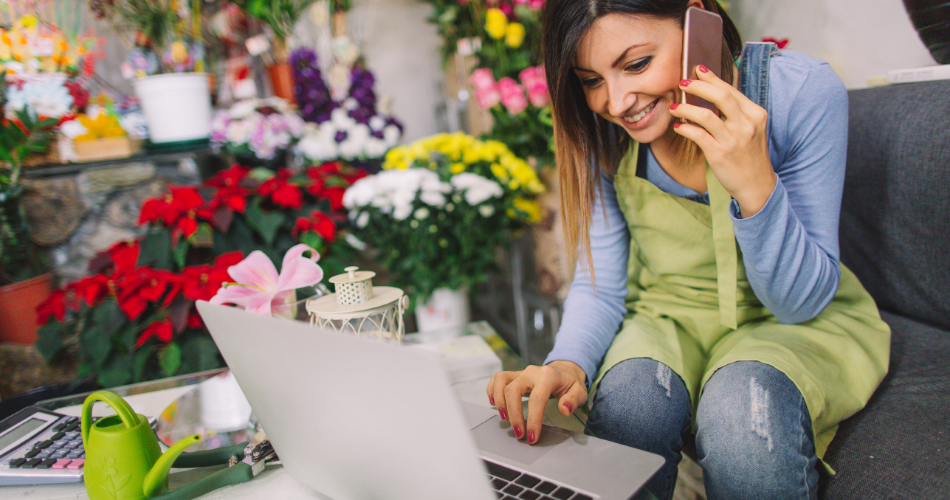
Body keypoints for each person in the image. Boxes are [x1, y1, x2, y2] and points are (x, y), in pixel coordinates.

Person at [485, 1, 891, 499]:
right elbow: (601, 283)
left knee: (741, 409)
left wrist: (753, 182)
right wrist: (566, 363)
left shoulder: (799, 92)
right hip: (666, 318)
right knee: (630, 405)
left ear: (698, 18)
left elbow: (798, 302)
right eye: (591, 80)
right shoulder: (601, 133)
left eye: (636, 65)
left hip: (791, 323)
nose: (616, 102)